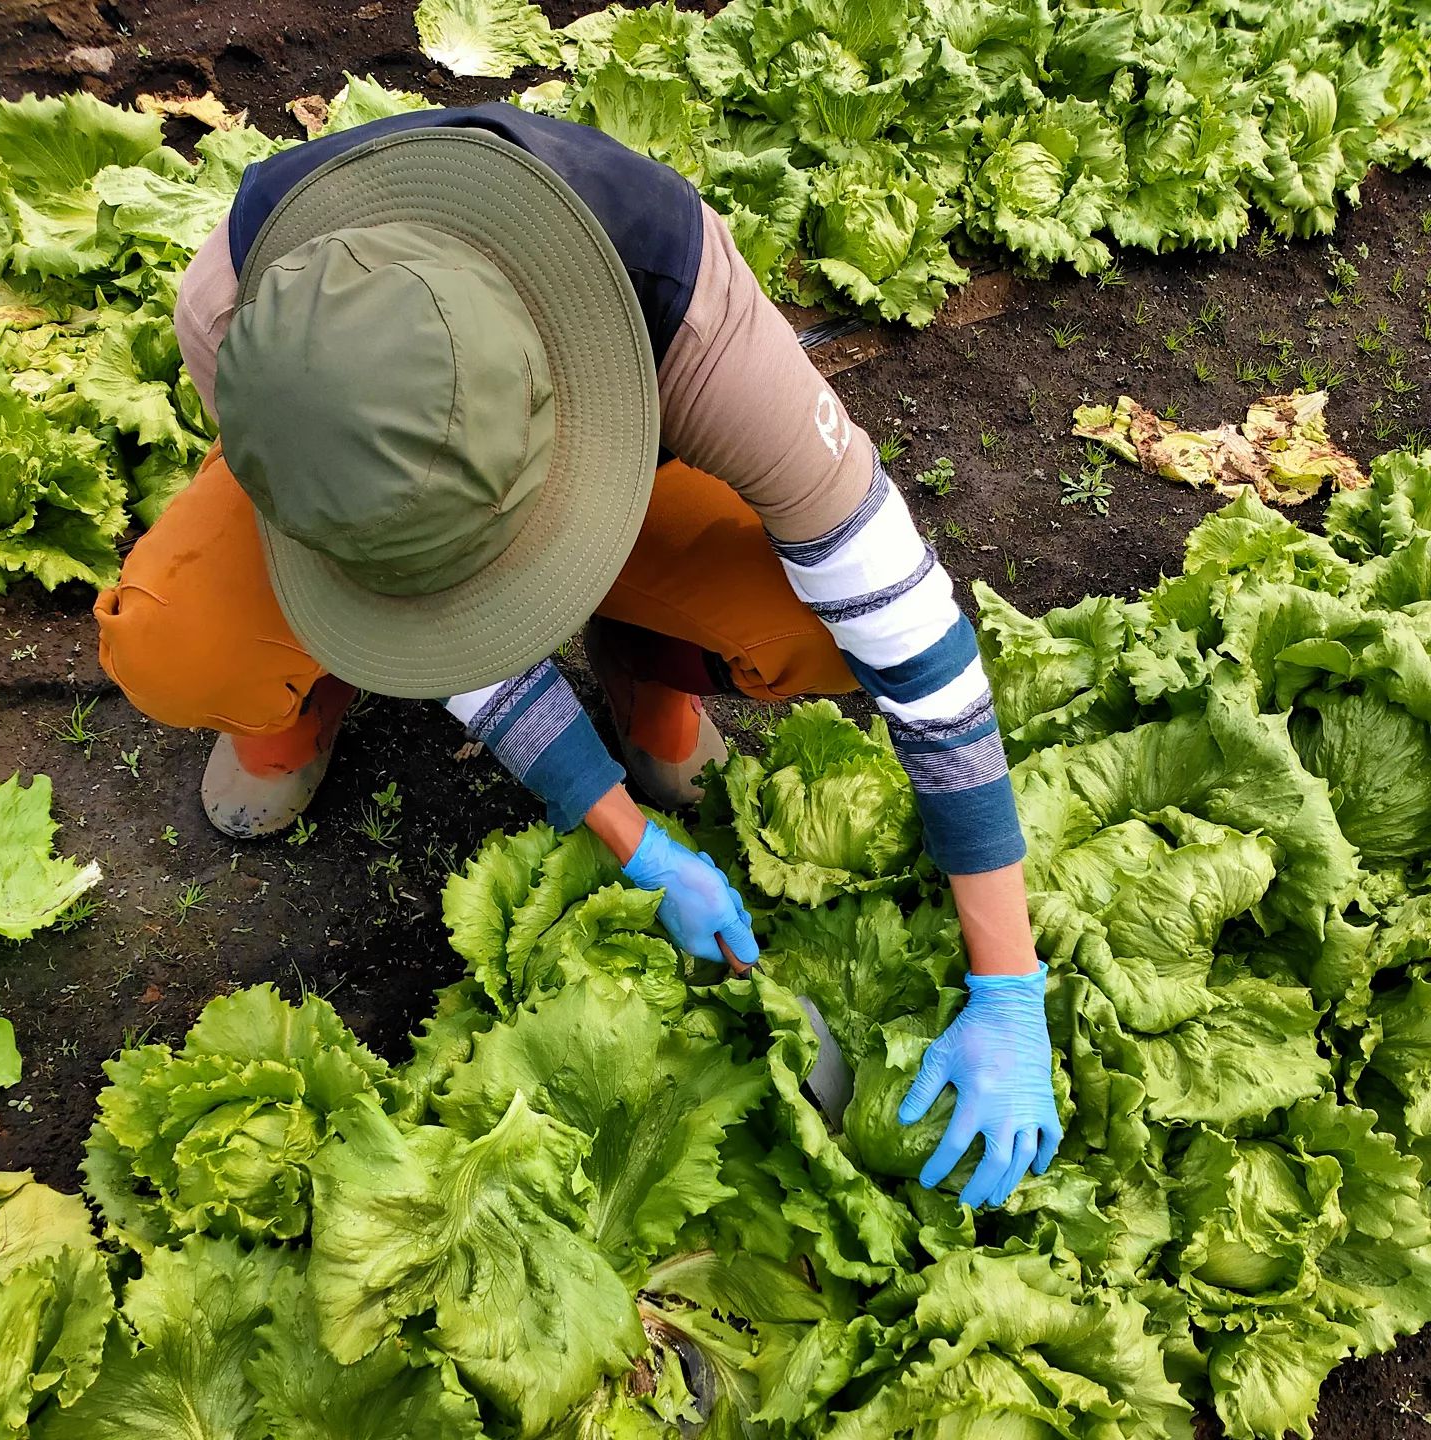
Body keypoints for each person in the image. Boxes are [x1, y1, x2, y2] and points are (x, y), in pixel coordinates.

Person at [94, 104, 1062, 1209]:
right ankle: (292, 703)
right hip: (379, 504)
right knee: (174, 637)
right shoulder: (236, 318)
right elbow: (420, 589)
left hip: (620, 440)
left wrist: (1009, 986)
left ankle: (646, 663)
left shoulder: (697, 324)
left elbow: (921, 652)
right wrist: (627, 833)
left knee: (807, 629)